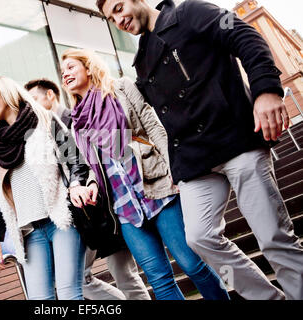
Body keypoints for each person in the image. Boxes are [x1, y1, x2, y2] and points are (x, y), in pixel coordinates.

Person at [98, 0, 303, 300]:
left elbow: (245, 36)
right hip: (195, 161)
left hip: (236, 140)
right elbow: (162, 121)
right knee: (199, 238)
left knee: (273, 237)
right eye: (110, 19)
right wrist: (176, 169)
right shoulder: (141, 60)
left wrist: (266, 90)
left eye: (118, 8)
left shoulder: (190, 14)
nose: (118, 20)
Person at [61, 48, 230, 300]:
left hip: (157, 187)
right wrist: (94, 182)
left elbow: (153, 127)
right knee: (159, 279)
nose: (65, 75)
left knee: (192, 263)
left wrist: (175, 167)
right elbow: (95, 163)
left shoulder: (120, 88)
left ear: (88, 66)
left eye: (71, 67)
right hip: (123, 205)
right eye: (62, 72)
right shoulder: (77, 121)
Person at [24, 78, 151, 300]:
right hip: (80, 214)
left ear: (50, 95)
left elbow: (109, 152)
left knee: (124, 274)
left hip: (110, 205)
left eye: (34, 99)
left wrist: (90, 181)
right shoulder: (42, 131)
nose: (30, 106)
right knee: (80, 277)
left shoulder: (77, 119)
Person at [0, 76, 88, 300]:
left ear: (6, 93)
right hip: (30, 231)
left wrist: (77, 185)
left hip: (61, 220)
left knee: (69, 293)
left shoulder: (45, 119)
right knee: (41, 300)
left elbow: (75, 160)